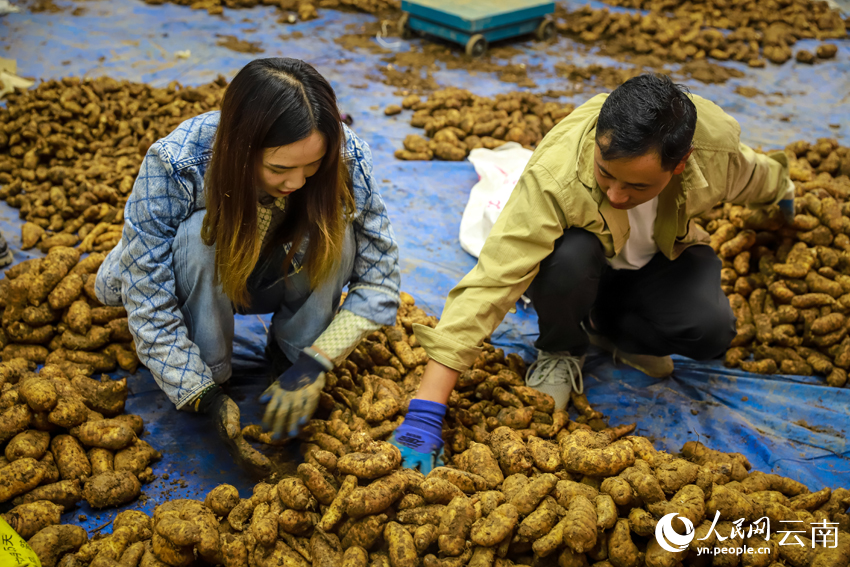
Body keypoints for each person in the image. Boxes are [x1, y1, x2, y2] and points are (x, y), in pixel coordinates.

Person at [389, 74, 794, 473]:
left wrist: (783, 200)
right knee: (568, 257)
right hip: (580, 266)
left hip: (658, 259)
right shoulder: (556, 173)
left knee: (711, 331)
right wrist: (426, 411)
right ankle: (561, 347)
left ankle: (607, 326)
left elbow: (756, 175)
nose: (617, 195)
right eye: (606, 174)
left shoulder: (713, 149)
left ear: (680, 163)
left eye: (636, 185)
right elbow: (492, 279)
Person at [95, 58, 401, 475]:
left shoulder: (348, 159)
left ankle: (292, 356)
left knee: (340, 236)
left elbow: (380, 281)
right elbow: (148, 298)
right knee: (195, 237)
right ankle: (213, 369)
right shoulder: (177, 163)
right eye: (280, 169)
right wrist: (203, 394)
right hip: (206, 273)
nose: (296, 182)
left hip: (276, 269)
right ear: (240, 148)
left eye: (311, 167)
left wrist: (315, 364)